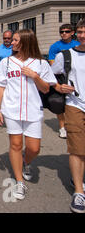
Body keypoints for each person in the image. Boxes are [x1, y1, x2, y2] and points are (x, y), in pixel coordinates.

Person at [0, 29, 57, 201]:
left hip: (33, 110)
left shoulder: (40, 63)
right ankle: (19, 181)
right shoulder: (6, 62)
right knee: (15, 144)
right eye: (12, 40)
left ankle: (26, 162)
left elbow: (45, 88)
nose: (11, 43)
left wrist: (34, 76)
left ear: (26, 42)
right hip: (11, 109)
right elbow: (0, 86)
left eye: (15, 40)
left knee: (34, 148)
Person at [52, 19, 85, 213]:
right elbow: (49, 75)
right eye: (79, 31)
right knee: (76, 148)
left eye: (83, 32)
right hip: (75, 105)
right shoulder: (66, 55)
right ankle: (79, 192)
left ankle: (78, 177)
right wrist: (58, 86)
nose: (81, 35)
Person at [48, 24, 80, 139]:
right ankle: (62, 127)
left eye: (66, 31)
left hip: (77, 77)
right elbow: (52, 63)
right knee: (59, 103)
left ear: (72, 33)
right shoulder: (55, 46)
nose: (64, 33)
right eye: (61, 32)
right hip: (61, 77)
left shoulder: (78, 45)